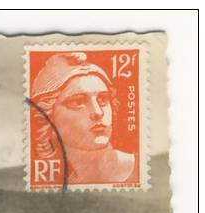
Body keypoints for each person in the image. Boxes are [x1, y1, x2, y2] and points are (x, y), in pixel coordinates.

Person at [31, 52, 135, 184]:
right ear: (48, 117)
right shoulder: (50, 178)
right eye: (77, 102)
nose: (98, 112)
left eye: (103, 99)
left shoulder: (138, 166)